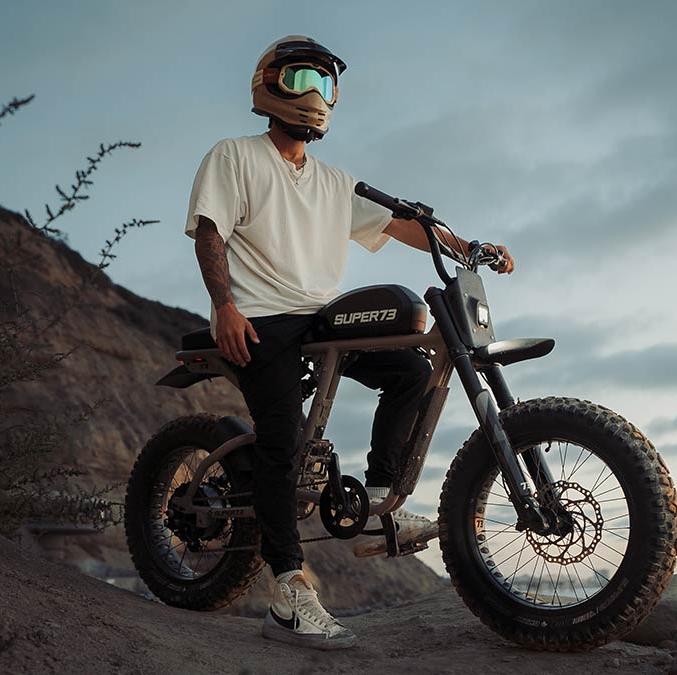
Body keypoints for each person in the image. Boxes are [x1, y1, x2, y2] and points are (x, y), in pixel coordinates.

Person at [184, 36, 514, 650]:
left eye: (325, 85)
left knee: (412, 370)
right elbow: (209, 232)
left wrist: (467, 247)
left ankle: (380, 497)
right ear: (270, 84)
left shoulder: (337, 182)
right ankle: (287, 593)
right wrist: (225, 306)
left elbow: (400, 222)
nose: (314, 95)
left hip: (320, 316)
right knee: (283, 438)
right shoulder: (234, 156)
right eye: (302, 78)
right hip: (260, 317)